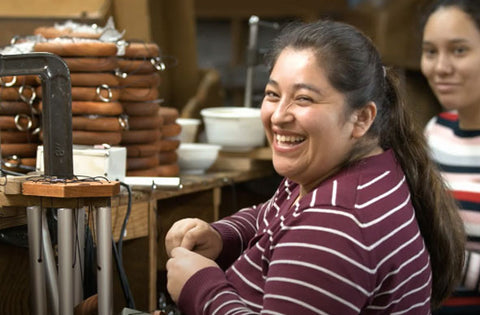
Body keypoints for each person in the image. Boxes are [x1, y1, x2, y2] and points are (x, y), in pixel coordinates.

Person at [164, 19, 465, 314]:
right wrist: (223, 237)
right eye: (272, 94)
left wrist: (200, 287)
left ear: (361, 118)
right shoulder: (350, 168)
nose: (279, 115)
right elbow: (274, 216)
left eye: (304, 99)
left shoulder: (336, 222)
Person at [421, 0, 480, 311]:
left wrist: (444, 256)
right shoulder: (436, 131)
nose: (441, 67)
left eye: (459, 50)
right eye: (431, 52)